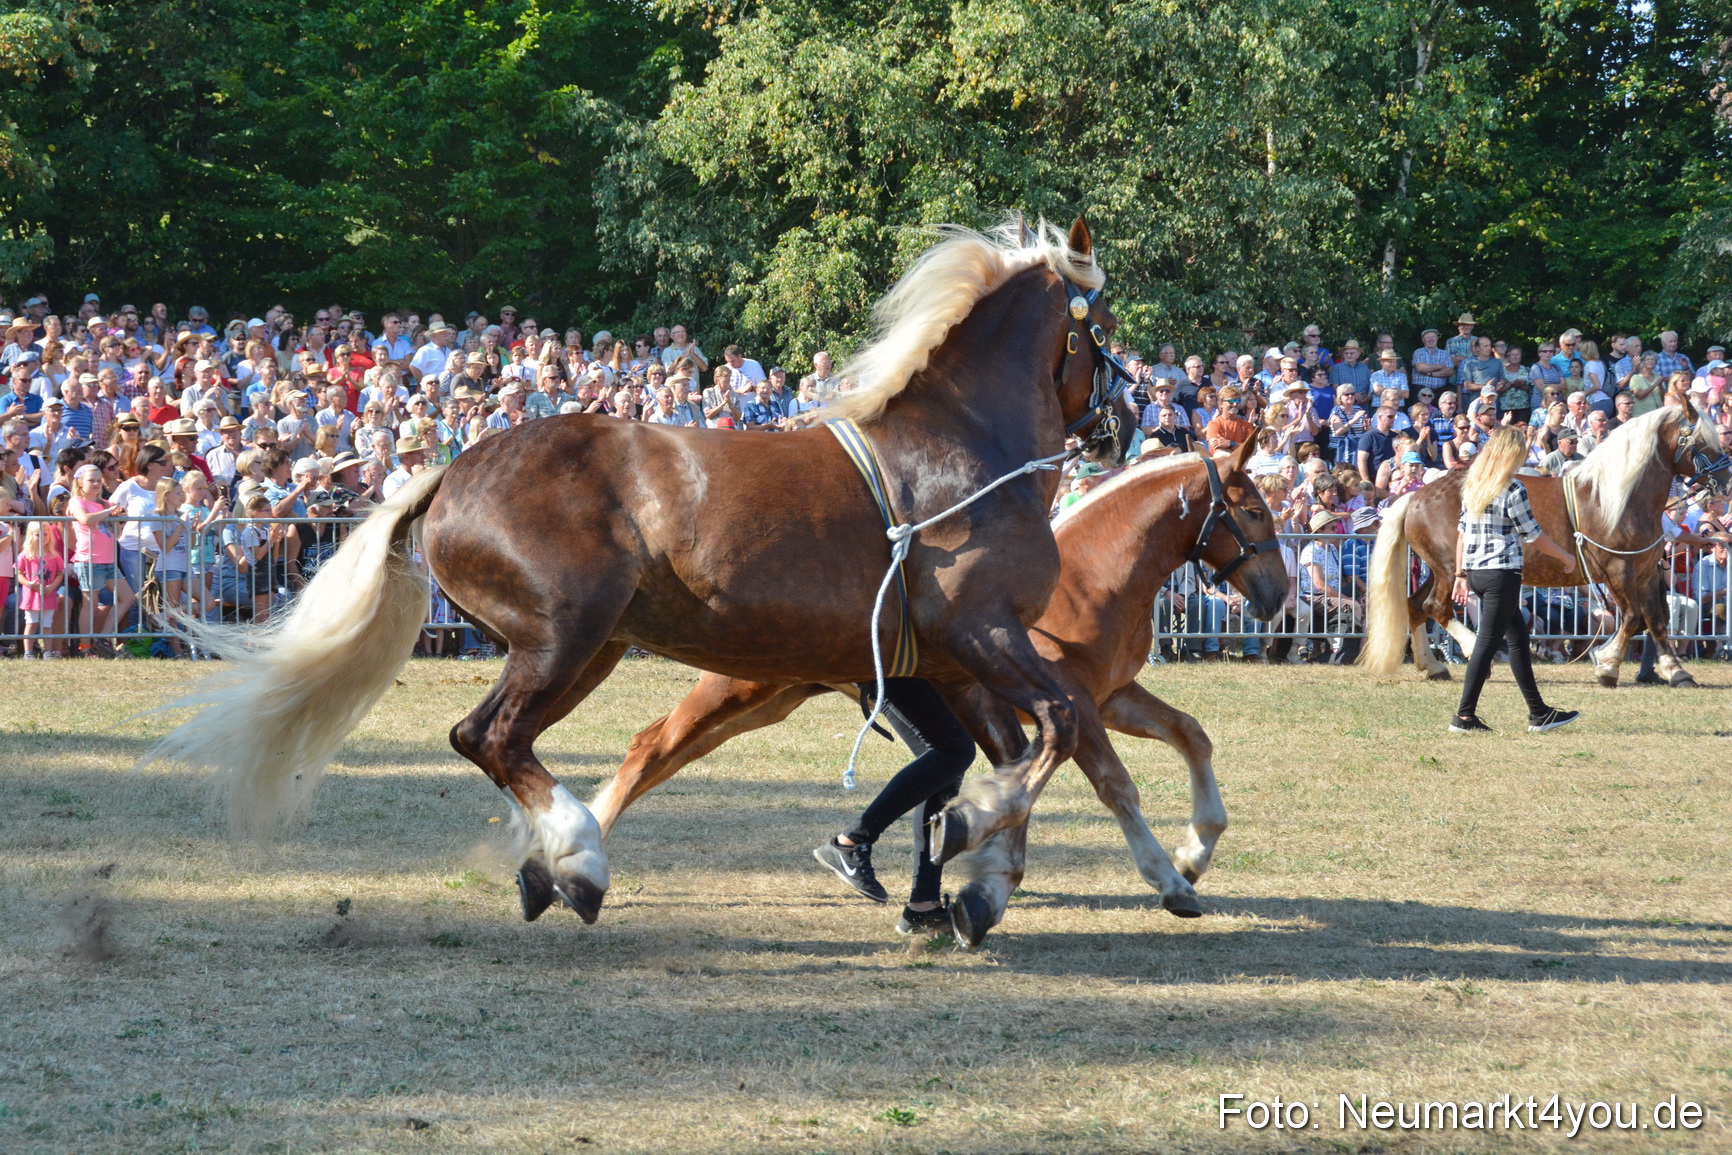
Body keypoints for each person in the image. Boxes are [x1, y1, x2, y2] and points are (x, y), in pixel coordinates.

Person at [811, 678, 977, 935]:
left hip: (900, 656)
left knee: (942, 767)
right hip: (887, 656)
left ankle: (923, 906)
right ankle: (849, 842)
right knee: (954, 752)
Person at [1449, 426, 1580, 734]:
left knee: (1518, 640)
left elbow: (1462, 534)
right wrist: (1566, 556)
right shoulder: (1513, 488)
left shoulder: (1474, 486)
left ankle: (1539, 713)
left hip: (1478, 573)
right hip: (1502, 573)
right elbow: (1532, 534)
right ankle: (1464, 716)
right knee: (1487, 643)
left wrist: (1460, 574)